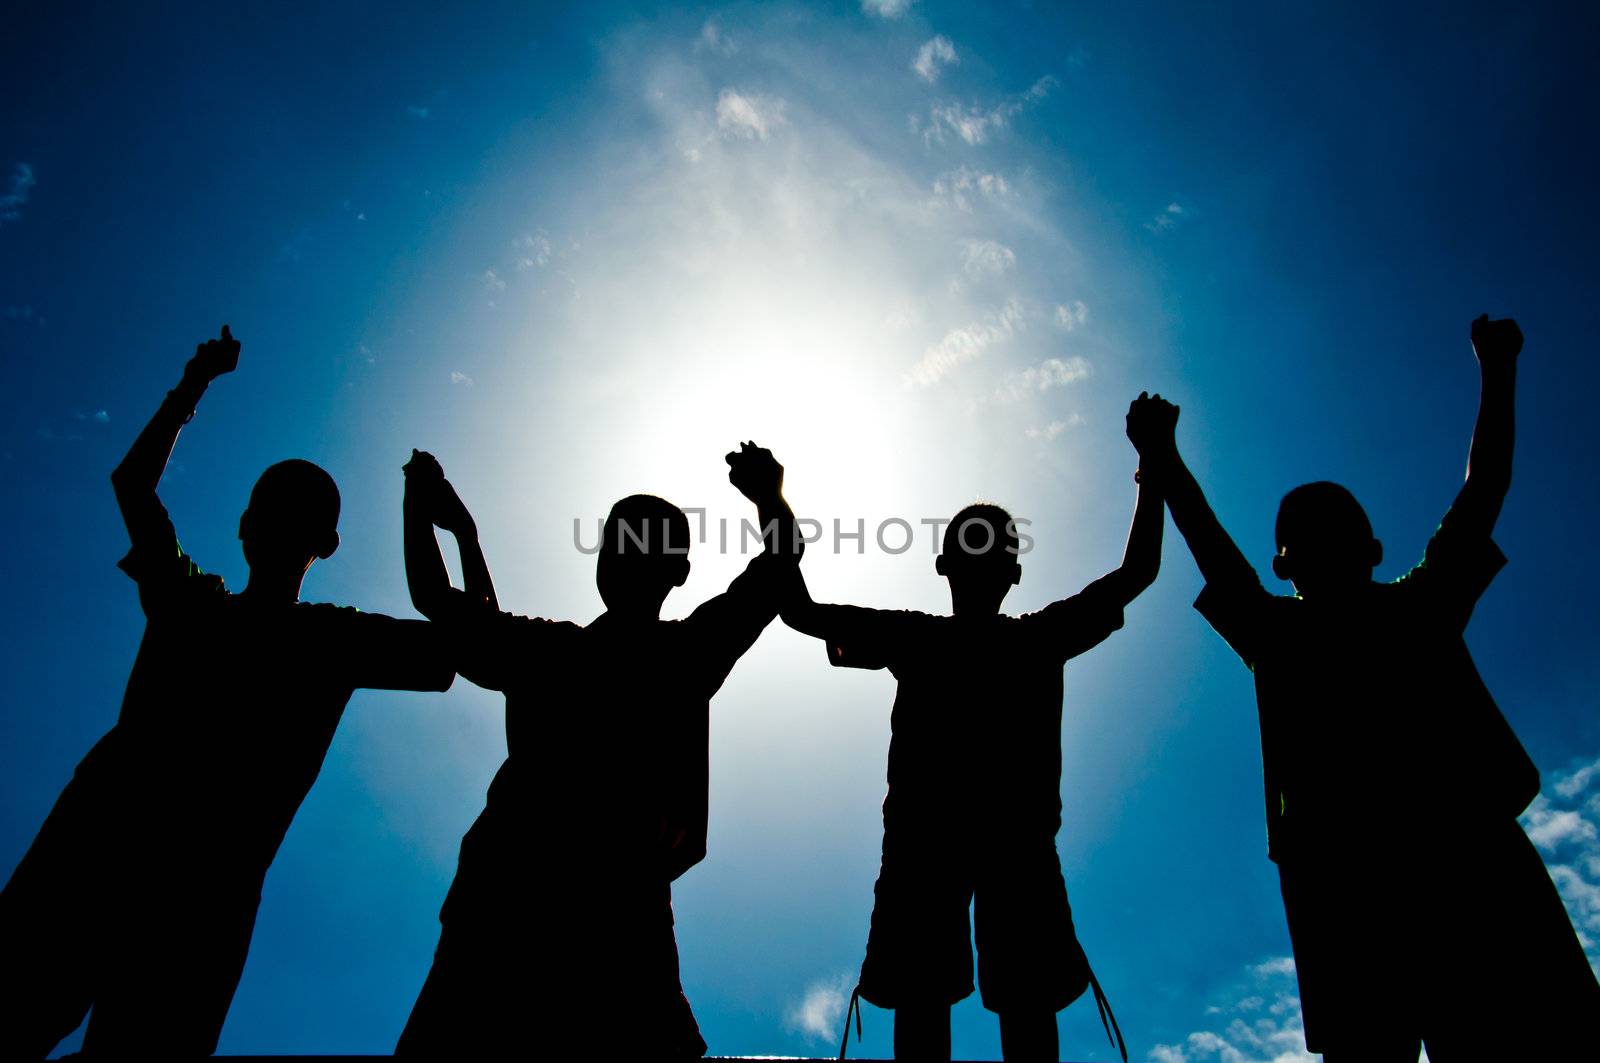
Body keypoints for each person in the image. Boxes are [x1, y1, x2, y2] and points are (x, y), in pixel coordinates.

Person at [1146, 315, 1599, 1058]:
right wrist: (1163, 459)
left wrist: (1499, 368)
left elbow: (1485, 487)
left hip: (1452, 869)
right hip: (1357, 884)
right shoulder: (1312, 627)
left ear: (1367, 547)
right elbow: (1215, 552)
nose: (1319, 537)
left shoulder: (1398, 610)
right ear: (1292, 563)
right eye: (1306, 530)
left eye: (1331, 524)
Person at [0, 326, 455, 1057]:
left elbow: (459, 648)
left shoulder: (309, 632)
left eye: (290, 507)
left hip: (187, 897)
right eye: (269, 504)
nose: (271, 518)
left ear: (321, 540)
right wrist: (193, 384)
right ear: (249, 526)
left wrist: (432, 519)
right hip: (110, 859)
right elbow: (133, 487)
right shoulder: (200, 601)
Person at [779, 396, 1170, 1062]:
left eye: (992, 543)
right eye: (974, 541)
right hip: (954, 840)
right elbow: (801, 611)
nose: (984, 555)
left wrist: (1153, 461)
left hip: (977, 840)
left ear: (1003, 570)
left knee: (988, 996)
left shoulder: (976, 637)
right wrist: (774, 504)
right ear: (950, 564)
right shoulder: (1001, 638)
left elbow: (799, 610)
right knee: (970, 996)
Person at [395, 442, 800, 1057]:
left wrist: (430, 510)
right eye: (617, 540)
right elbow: (776, 567)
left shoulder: (584, 653)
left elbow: (441, 600)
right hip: (546, 908)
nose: (622, 553)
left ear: (676, 569)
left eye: (634, 542)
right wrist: (769, 498)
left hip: (546, 907)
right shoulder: (677, 655)